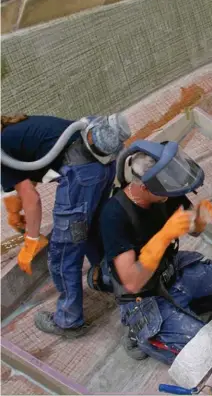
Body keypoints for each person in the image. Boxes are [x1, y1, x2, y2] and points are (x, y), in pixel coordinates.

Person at [99, 140, 212, 363]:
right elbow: (131, 281)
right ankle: (139, 334)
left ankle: (193, 306)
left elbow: (194, 229)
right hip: (143, 297)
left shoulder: (165, 189)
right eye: (165, 188)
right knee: (210, 352)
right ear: (144, 187)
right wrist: (164, 236)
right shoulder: (114, 215)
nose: (170, 193)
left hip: (173, 271)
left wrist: (200, 219)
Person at [1, 113, 130, 337]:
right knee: (93, 231)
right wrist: (13, 208)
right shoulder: (15, 130)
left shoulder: (1, 147)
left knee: (63, 253)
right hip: (102, 168)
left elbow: (32, 199)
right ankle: (109, 279)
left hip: (82, 176)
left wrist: (31, 241)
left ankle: (69, 321)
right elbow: (27, 169)